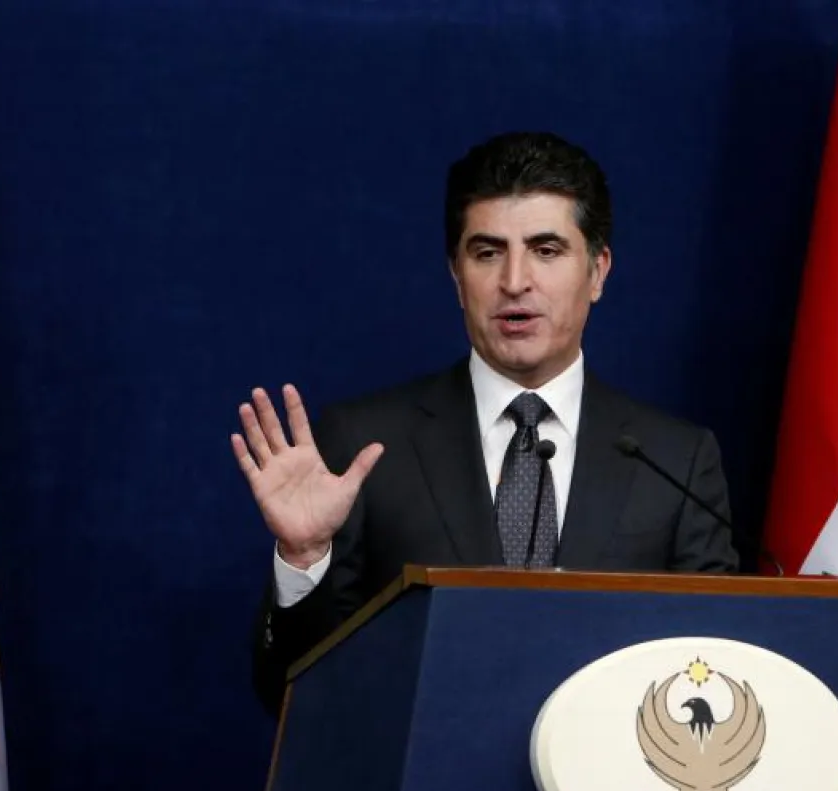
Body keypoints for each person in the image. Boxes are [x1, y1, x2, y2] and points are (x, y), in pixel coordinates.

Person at [232, 131, 738, 714]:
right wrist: (302, 560)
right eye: (487, 252)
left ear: (597, 271)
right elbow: (291, 693)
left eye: (546, 250)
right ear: (456, 274)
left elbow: (713, 670)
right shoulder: (364, 444)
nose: (515, 280)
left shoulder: (676, 459)